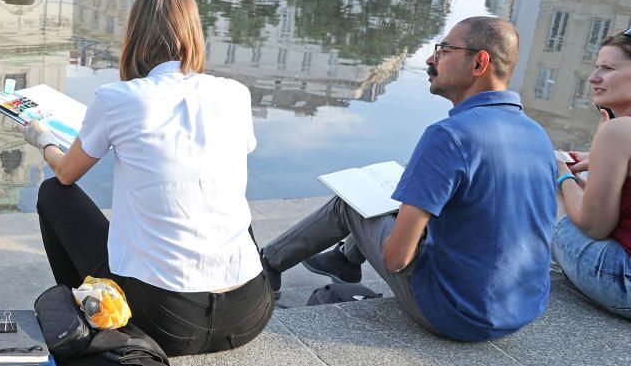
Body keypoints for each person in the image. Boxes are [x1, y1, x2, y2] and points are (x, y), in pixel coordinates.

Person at [260, 17, 557, 342]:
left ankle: (268, 265)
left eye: (444, 50)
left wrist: (394, 226)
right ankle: (344, 259)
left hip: (457, 312)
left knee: (351, 204)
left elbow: (396, 259)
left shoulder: (450, 136)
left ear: (479, 63)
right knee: (412, 200)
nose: (431, 59)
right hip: (523, 308)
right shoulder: (537, 133)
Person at [20, 0, 274, 357]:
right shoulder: (234, 93)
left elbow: (66, 173)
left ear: (135, 36)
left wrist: (44, 140)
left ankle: (90, 311)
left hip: (165, 321)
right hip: (249, 312)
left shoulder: (117, 98)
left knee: (54, 194)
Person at [553, 29, 631, 320]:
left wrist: (562, 174)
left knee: (549, 189)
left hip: (622, 280)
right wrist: (597, 160)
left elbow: (595, 226)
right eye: (597, 66)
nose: (593, 77)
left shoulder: (618, 131)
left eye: (607, 68)